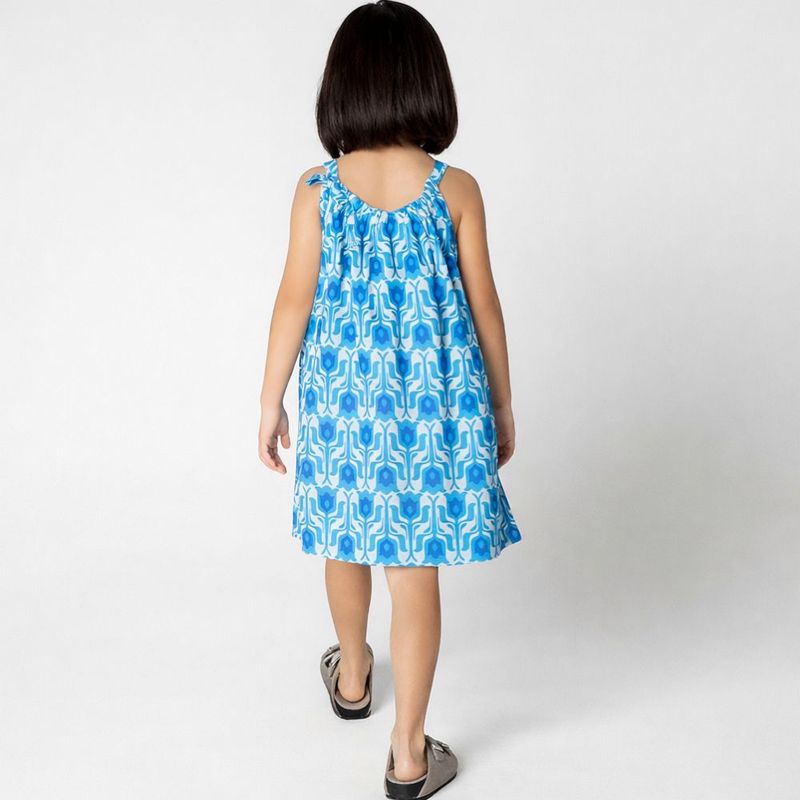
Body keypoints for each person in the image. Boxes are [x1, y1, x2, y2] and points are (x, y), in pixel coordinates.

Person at [257, 2, 522, 797]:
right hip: (436, 408)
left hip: (344, 405)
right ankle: (409, 754)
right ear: (427, 84)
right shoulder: (456, 189)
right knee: (414, 568)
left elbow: (293, 301)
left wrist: (270, 400)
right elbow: (484, 306)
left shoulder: (316, 190)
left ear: (341, 88)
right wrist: (502, 405)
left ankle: (352, 677)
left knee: (345, 542)